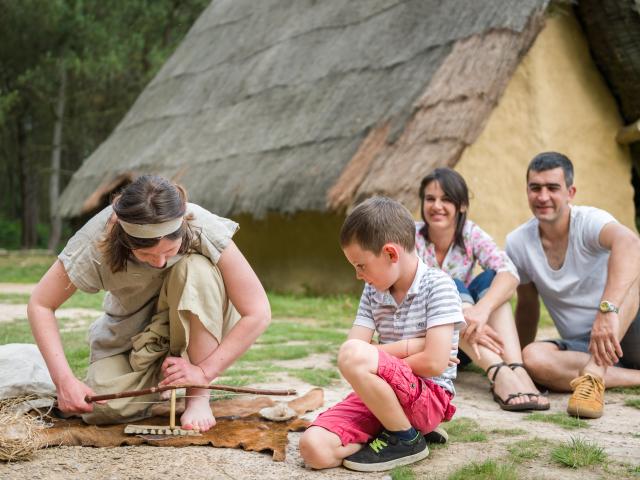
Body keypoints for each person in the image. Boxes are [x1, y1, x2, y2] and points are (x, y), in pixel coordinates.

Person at [27, 175, 271, 431]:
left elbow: (258, 312)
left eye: (170, 250)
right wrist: (64, 381)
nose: (160, 263)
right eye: (145, 254)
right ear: (123, 238)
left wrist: (204, 373)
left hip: (198, 320)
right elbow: (41, 304)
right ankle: (165, 379)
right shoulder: (94, 238)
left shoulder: (199, 224)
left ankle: (197, 395)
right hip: (134, 338)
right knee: (101, 407)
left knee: (195, 267)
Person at [299, 196, 464, 472]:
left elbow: (434, 364)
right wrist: (412, 346)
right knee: (313, 449)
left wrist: (373, 359)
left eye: (360, 265)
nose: (358, 275)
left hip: (427, 398)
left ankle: (406, 439)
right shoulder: (373, 291)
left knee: (354, 356)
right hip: (379, 396)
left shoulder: (439, 286)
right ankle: (393, 430)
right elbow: (355, 347)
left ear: (390, 253)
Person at [506, 151, 640, 418]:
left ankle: (595, 374)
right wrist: (517, 367)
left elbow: (631, 242)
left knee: (636, 271)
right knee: (533, 357)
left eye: (552, 188)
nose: (543, 196)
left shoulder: (589, 221)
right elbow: (528, 306)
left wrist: (606, 312)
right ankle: (626, 376)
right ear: (527, 191)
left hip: (630, 327)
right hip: (585, 344)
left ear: (570, 192)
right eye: (535, 188)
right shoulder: (518, 242)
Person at [416, 168, 549, 411]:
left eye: (446, 199)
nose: (437, 206)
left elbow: (509, 273)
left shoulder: (470, 234)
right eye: (430, 199)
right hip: (433, 339)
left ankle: (516, 368)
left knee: (492, 277)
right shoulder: (410, 238)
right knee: (448, 283)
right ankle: (499, 372)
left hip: (467, 339)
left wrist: (480, 311)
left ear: (462, 205)